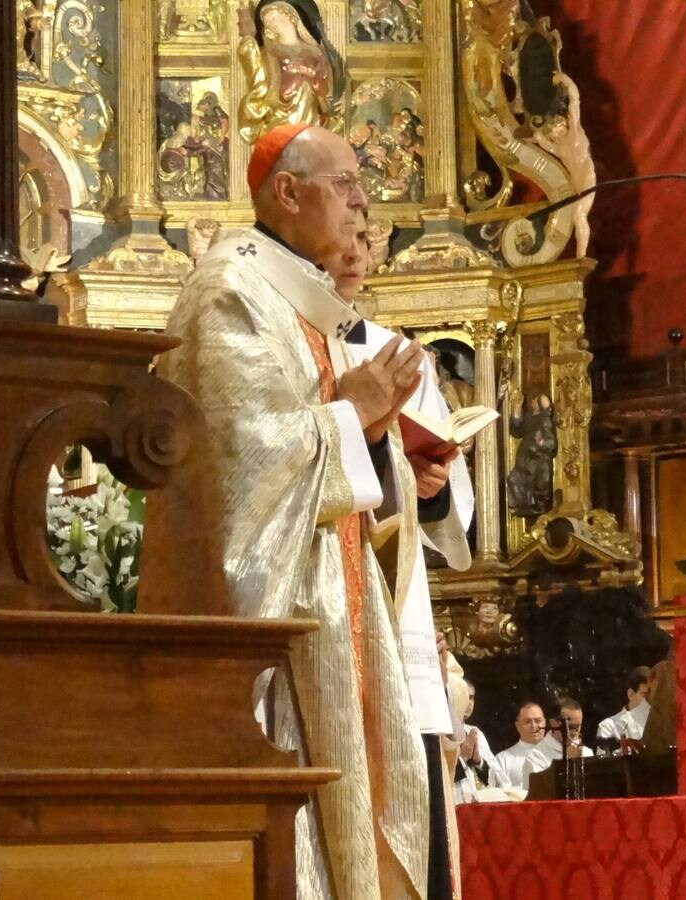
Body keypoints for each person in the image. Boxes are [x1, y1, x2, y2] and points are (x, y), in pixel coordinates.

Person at [158, 122, 431, 900]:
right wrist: (351, 416)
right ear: (286, 191)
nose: (361, 202)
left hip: (335, 603)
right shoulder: (229, 294)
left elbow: (337, 444)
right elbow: (241, 464)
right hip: (275, 629)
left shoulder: (301, 299)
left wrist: (370, 428)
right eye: (344, 183)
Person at [322, 220, 475, 900]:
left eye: (365, 238)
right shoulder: (283, 339)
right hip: (322, 593)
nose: (355, 254)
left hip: (392, 599)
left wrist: (431, 488)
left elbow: (450, 509)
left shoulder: (396, 353)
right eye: (340, 236)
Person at [450, 680, 502, 803]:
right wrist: (462, 758)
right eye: (464, 697)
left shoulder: (476, 733)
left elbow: (500, 781)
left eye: (471, 697)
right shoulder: (441, 735)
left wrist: (479, 762)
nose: (469, 703)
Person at [494, 702, 555, 792]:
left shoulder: (559, 754)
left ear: (545, 722)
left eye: (538, 721)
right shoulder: (503, 759)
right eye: (527, 722)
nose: (534, 726)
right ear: (517, 726)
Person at [596, 666, 653, 745]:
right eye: (645, 694)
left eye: (654, 695)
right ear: (631, 695)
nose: (651, 700)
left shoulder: (660, 725)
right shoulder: (609, 727)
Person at [537, 695, 594, 760]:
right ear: (553, 723)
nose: (574, 732)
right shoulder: (537, 754)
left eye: (578, 726)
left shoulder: (587, 752)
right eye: (570, 727)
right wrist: (571, 760)